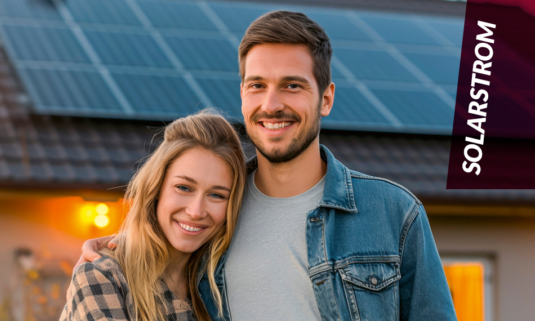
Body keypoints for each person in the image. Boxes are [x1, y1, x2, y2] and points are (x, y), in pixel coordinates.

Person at [77, 11, 457, 321]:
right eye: (257, 85)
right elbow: (164, 243)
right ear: (242, 94)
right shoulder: (218, 209)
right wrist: (115, 249)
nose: (271, 104)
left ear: (326, 98)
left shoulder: (393, 213)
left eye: (292, 86)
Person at [60, 110, 247, 321]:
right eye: (183, 188)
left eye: (216, 195)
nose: (196, 212)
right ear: (156, 188)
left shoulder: (224, 291)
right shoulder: (104, 278)